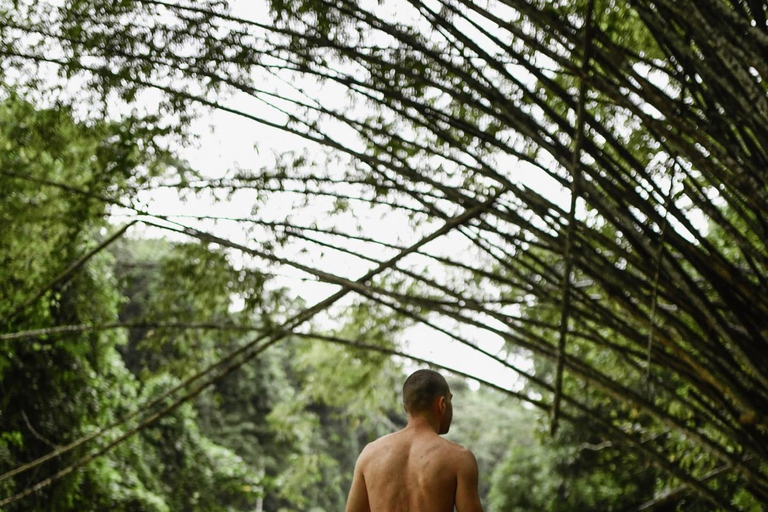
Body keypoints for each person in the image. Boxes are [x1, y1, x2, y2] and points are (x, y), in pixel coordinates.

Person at [345, 369, 484, 512]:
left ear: (406, 408)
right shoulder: (459, 458)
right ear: (442, 404)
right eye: (450, 400)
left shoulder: (369, 455)